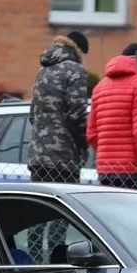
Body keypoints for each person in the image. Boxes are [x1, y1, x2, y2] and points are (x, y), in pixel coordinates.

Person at [87, 43, 137, 190]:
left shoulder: (100, 87)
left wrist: (109, 157)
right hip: (132, 172)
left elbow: (92, 134)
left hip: (105, 171)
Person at [27, 30, 90, 185]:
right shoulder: (75, 70)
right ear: (79, 50)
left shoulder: (42, 71)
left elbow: (32, 116)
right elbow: (77, 115)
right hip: (63, 159)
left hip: (38, 158)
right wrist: (85, 144)